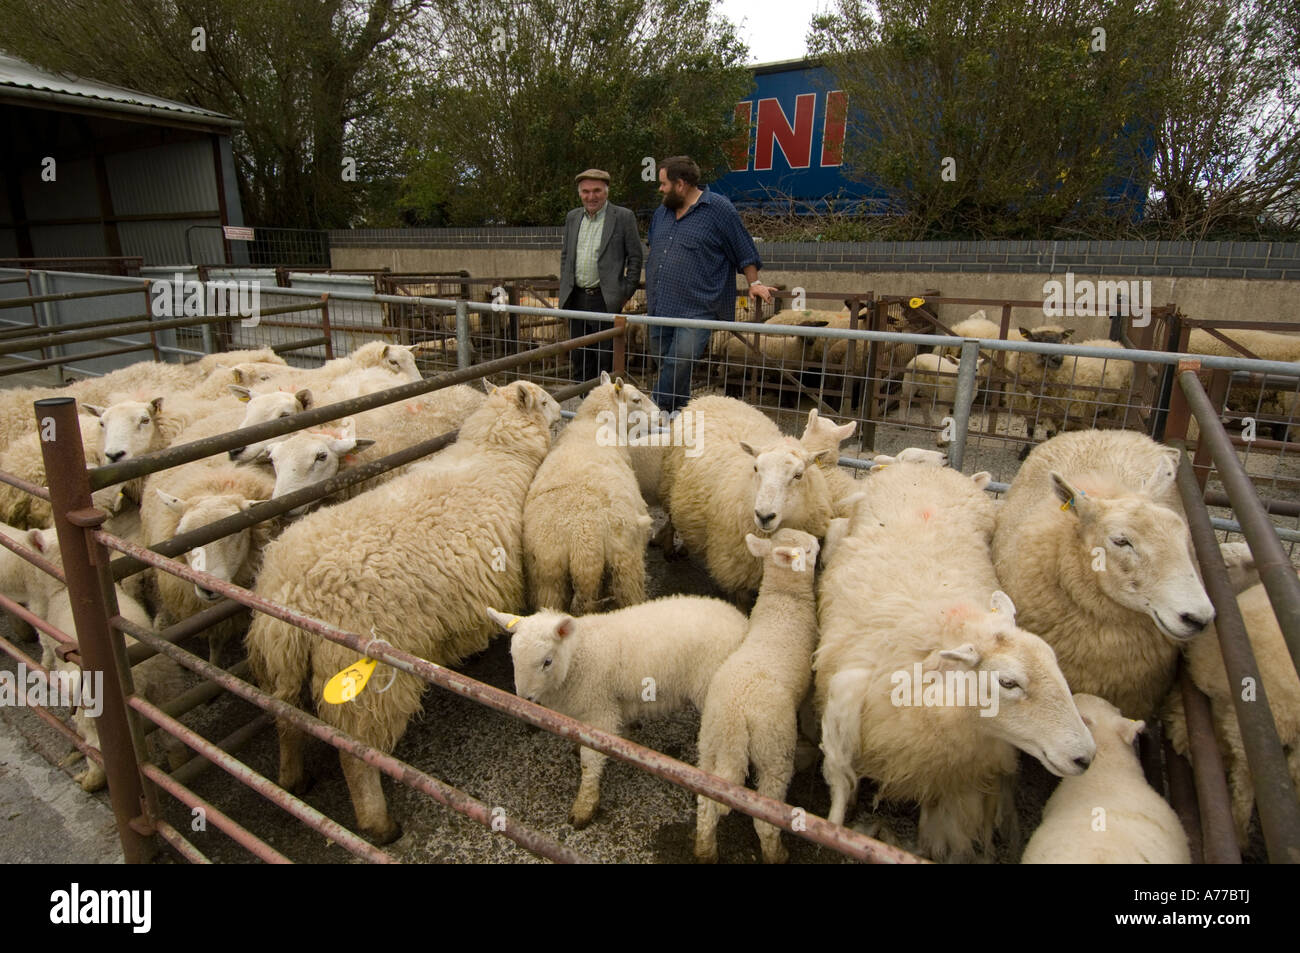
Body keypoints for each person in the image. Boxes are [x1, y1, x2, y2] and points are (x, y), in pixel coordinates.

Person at [644, 155, 773, 413]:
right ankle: (679, 420)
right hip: (660, 305)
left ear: (680, 184)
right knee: (668, 365)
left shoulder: (719, 210)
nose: (660, 189)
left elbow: (744, 249)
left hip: (697, 308)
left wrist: (755, 282)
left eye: (663, 184)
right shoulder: (662, 213)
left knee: (679, 362)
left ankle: (648, 413)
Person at [557, 169, 643, 382]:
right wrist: (565, 286)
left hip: (604, 299)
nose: (591, 196)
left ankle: (604, 406)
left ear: (606, 192)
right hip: (575, 297)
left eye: (596, 190)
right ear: (579, 193)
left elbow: (635, 257)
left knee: (605, 357)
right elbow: (566, 255)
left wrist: (624, 293)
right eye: (586, 191)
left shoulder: (623, 217)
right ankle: (583, 403)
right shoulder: (573, 217)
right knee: (578, 354)